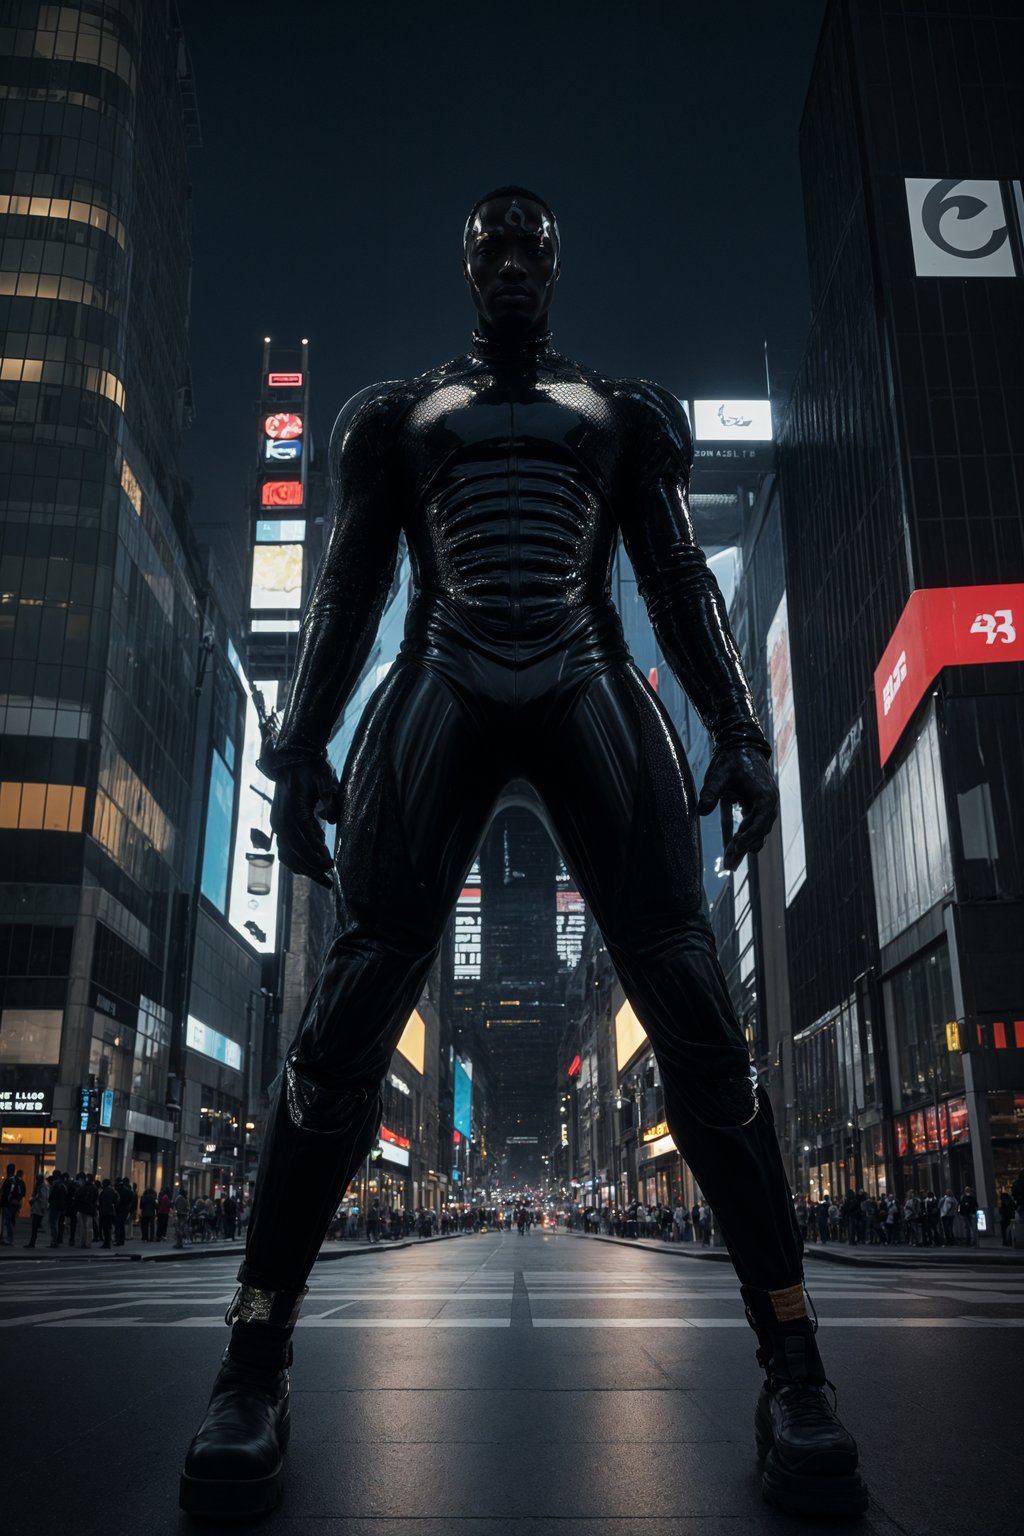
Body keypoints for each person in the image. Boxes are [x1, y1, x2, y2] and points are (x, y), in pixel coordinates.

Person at [179, 186, 866, 1524]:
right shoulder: (395, 419)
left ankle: (795, 1361)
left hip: (587, 677)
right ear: (466, 266)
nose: (506, 263)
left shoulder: (619, 418)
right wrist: (300, 743)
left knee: (699, 1027)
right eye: (488, 244)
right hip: (440, 672)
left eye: (526, 246)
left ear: (553, 269)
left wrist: (736, 727)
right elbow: (351, 587)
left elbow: (677, 581)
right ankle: (252, 1359)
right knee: (342, 1025)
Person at [0, 1162, 25, 1244]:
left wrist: (6, 1200)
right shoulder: (17, 1180)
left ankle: (9, 1238)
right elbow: (20, 1192)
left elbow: (7, 1192)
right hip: (14, 1204)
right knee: (10, 1221)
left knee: (7, 1222)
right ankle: (8, 1238)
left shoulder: (9, 1180)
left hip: (7, 1204)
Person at [25, 1171, 49, 1247]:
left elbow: (42, 1198)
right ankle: (32, 1242)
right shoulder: (41, 1186)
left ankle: (32, 1242)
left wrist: (34, 1200)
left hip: (38, 1209)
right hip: (37, 1209)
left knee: (35, 1227)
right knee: (34, 1227)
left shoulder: (42, 1187)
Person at [76, 1174, 98, 1247]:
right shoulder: (94, 1188)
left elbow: (77, 1197)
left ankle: (82, 1242)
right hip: (90, 1209)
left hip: (83, 1209)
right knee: (89, 1227)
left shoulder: (83, 1187)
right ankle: (88, 1243)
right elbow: (96, 1198)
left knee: (82, 1226)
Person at [47, 1171, 68, 1247]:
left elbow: (51, 1197)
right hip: (61, 1207)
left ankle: (54, 1241)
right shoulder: (64, 1186)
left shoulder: (56, 1185)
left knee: (53, 1223)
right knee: (58, 1223)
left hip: (54, 1206)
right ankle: (57, 1240)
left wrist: (50, 1202)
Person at [98, 1178, 117, 1248]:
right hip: (111, 1211)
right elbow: (116, 1200)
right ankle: (108, 1242)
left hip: (104, 1211)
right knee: (109, 1227)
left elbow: (100, 1201)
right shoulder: (113, 1191)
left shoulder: (103, 1192)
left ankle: (107, 1242)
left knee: (105, 1228)